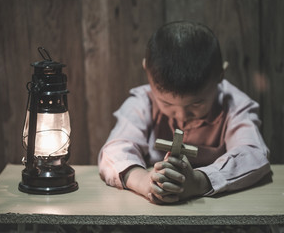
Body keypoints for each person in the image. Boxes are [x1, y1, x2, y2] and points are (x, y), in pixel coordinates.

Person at [98, 21, 270, 204]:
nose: (181, 116)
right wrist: (144, 181)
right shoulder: (142, 102)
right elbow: (115, 150)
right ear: (146, 69)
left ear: (220, 75)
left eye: (196, 104)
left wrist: (199, 181)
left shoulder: (234, 104)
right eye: (166, 103)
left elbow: (253, 154)